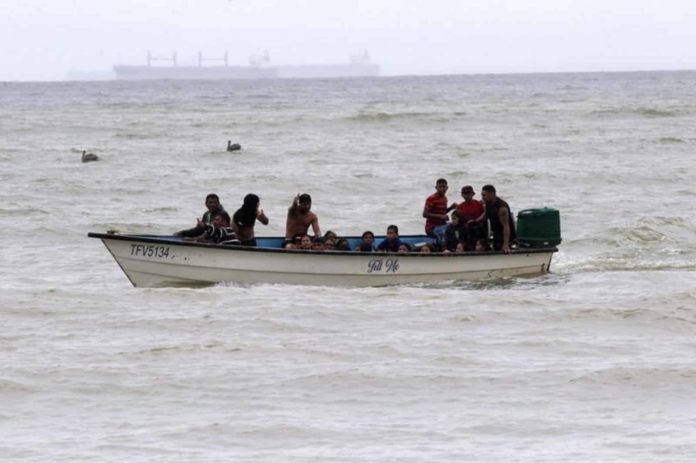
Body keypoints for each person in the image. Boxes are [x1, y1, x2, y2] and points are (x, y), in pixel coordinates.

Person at [481, 184, 516, 254]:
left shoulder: (501, 208)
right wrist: (474, 221)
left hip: (505, 237)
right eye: (482, 195)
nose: (482, 198)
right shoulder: (488, 203)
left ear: (491, 194)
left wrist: (505, 244)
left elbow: (506, 226)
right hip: (496, 234)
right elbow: (485, 214)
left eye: (484, 195)